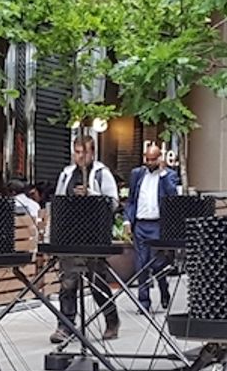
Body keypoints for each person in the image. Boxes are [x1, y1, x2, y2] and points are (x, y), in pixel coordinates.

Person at [51, 135, 119, 344]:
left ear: (92, 152)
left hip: (93, 236)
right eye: (77, 152)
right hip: (70, 236)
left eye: (84, 152)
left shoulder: (102, 174)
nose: (80, 157)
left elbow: (113, 202)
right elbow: (59, 201)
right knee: (68, 282)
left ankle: (111, 319)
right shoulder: (66, 174)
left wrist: (91, 194)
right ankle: (65, 325)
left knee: (97, 282)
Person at [125, 140, 180, 311]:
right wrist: (128, 220)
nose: (149, 163)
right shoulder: (137, 174)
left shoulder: (169, 175)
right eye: (147, 159)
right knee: (141, 264)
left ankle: (164, 290)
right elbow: (131, 199)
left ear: (159, 159)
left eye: (153, 159)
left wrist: (163, 174)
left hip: (158, 225)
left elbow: (172, 196)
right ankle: (144, 302)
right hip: (141, 224)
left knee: (157, 264)